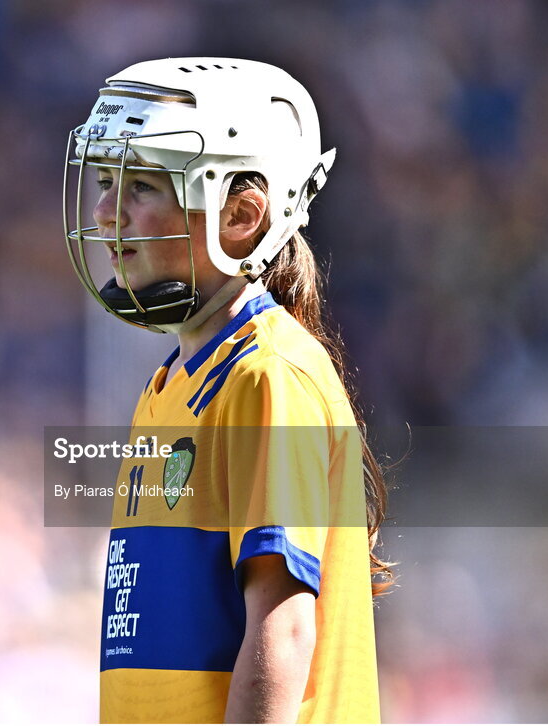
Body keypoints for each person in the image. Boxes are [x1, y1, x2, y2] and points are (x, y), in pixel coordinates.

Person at [63, 58, 394, 723]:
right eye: (105, 181)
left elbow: (285, 630)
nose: (105, 210)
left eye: (141, 187)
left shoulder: (265, 376)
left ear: (240, 214)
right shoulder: (169, 387)